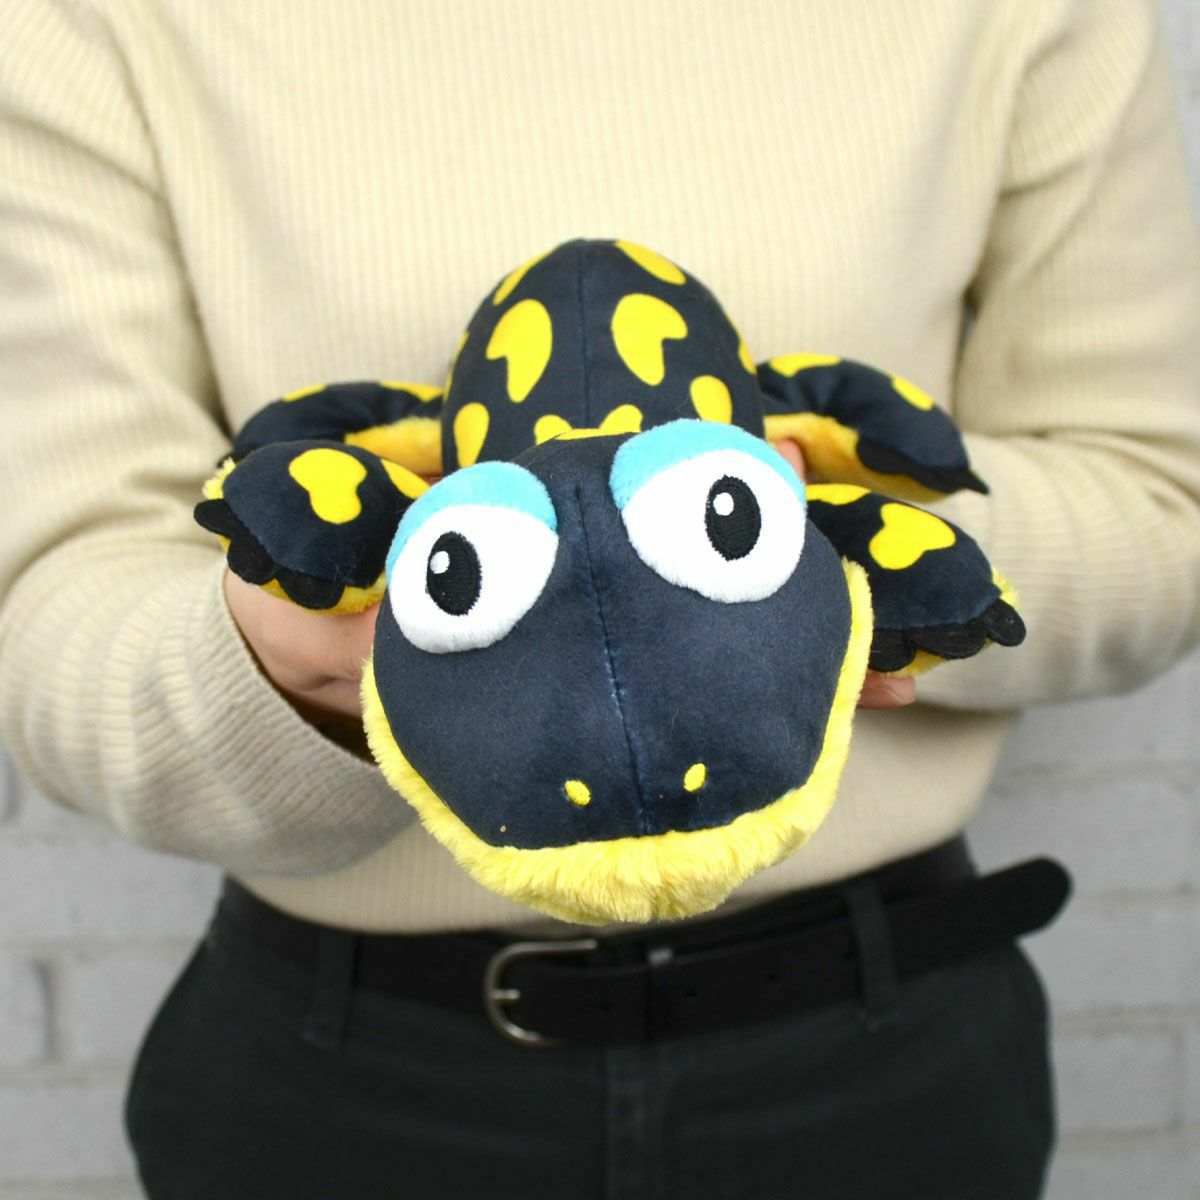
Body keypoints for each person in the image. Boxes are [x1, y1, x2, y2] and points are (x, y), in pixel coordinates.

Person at [1, 1, 1197, 1197]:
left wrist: (803, 546)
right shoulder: (92, 23)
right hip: (346, 1078)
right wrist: (297, 658)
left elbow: (1160, 502)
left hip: (880, 1046)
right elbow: (60, 613)